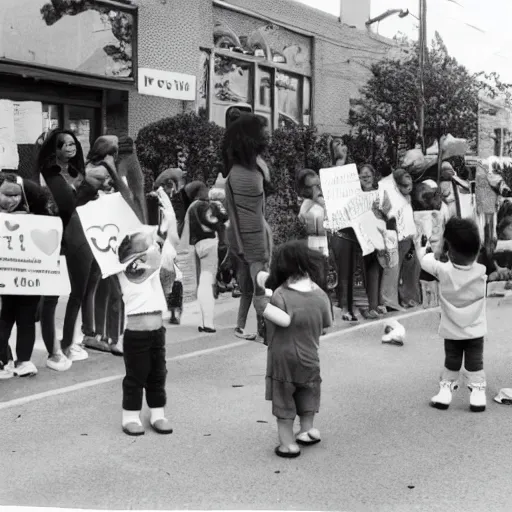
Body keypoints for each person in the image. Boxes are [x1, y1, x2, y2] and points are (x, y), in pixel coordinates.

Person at [260, 240, 332, 458]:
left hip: (283, 360)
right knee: (308, 392)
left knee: (284, 399)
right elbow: (325, 327)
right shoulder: (320, 295)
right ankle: (307, 430)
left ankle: (288, 443)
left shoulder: (280, 295)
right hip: (311, 357)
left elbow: (271, 323)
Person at [416, 217, 488, 412]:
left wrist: (436, 250)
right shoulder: (482, 272)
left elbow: (425, 260)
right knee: (475, 361)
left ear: (450, 250)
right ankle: (478, 396)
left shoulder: (443, 270)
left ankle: (445, 393)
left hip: (451, 330)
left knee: (452, 360)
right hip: (475, 330)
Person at [115, 227, 173, 436]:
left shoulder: (153, 266)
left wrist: (168, 231)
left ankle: (158, 414)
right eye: (145, 242)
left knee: (158, 374)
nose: (151, 244)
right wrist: (160, 241)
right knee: (136, 377)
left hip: (157, 332)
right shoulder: (128, 268)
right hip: (136, 335)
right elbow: (155, 259)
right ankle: (130, 417)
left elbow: (168, 267)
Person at [36, 129, 85, 371]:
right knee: (51, 296)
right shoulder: (46, 172)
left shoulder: (77, 172)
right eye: (63, 143)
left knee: (79, 290)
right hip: (51, 237)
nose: (70, 146)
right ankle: (53, 351)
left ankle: (68, 344)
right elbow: (66, 203)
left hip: (77, 236)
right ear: (54, 148)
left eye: (72, 142)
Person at [0, 172, 56, 378]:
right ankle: (1, 360)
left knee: (26, 315)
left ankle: (23, 360)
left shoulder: (35, 213)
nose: (12, 199)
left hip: (28, 277)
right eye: (7, 194)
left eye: (16, 195)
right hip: (4, 279)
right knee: (5, 315)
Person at [224, 113, 273, 341]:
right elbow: (250, 211)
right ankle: (264, 330)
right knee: (260, 286)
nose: (268, 134)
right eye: (264, 130)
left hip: (242, 236)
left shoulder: (236, 172)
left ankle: (241, 326)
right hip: (253, 236)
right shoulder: (253, 170)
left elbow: (234, 214)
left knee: (247, 286)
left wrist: (237, 244)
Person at [179, 181, 229, 333]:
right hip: (210, 243)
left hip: (196, 246)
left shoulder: (190, 208)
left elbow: (183, 228)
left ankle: (203, 320)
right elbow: (224, 219)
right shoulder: (208, 206)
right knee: (207, 283)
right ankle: (208, 323)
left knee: (201, 283)